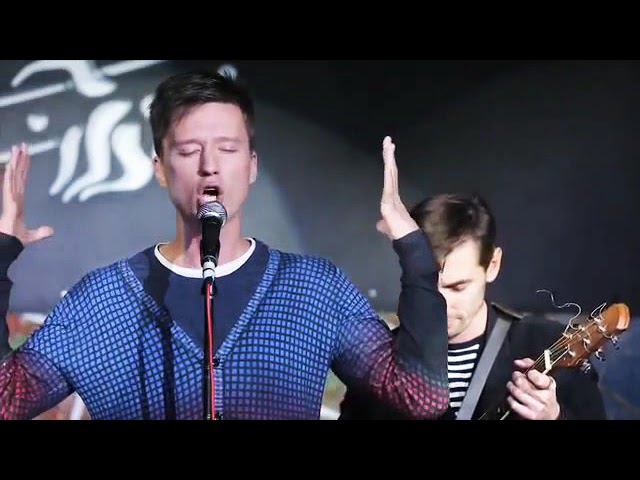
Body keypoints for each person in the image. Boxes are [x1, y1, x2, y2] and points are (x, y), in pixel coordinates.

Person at [0, 71, 449, 420]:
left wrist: (415, 252)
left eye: (228, 149)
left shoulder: (314, 289)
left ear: (252, 165)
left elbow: (421, 397)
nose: (209, 166)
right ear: (159, 168)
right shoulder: (103, 301)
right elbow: (6, 399)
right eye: (188, 150)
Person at [340, 192, 606, 420]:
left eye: (458, 287)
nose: (440, 305)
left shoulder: (546, 343)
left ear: (492, 265)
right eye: (426, 288)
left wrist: (555, 417)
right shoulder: (379, 360)